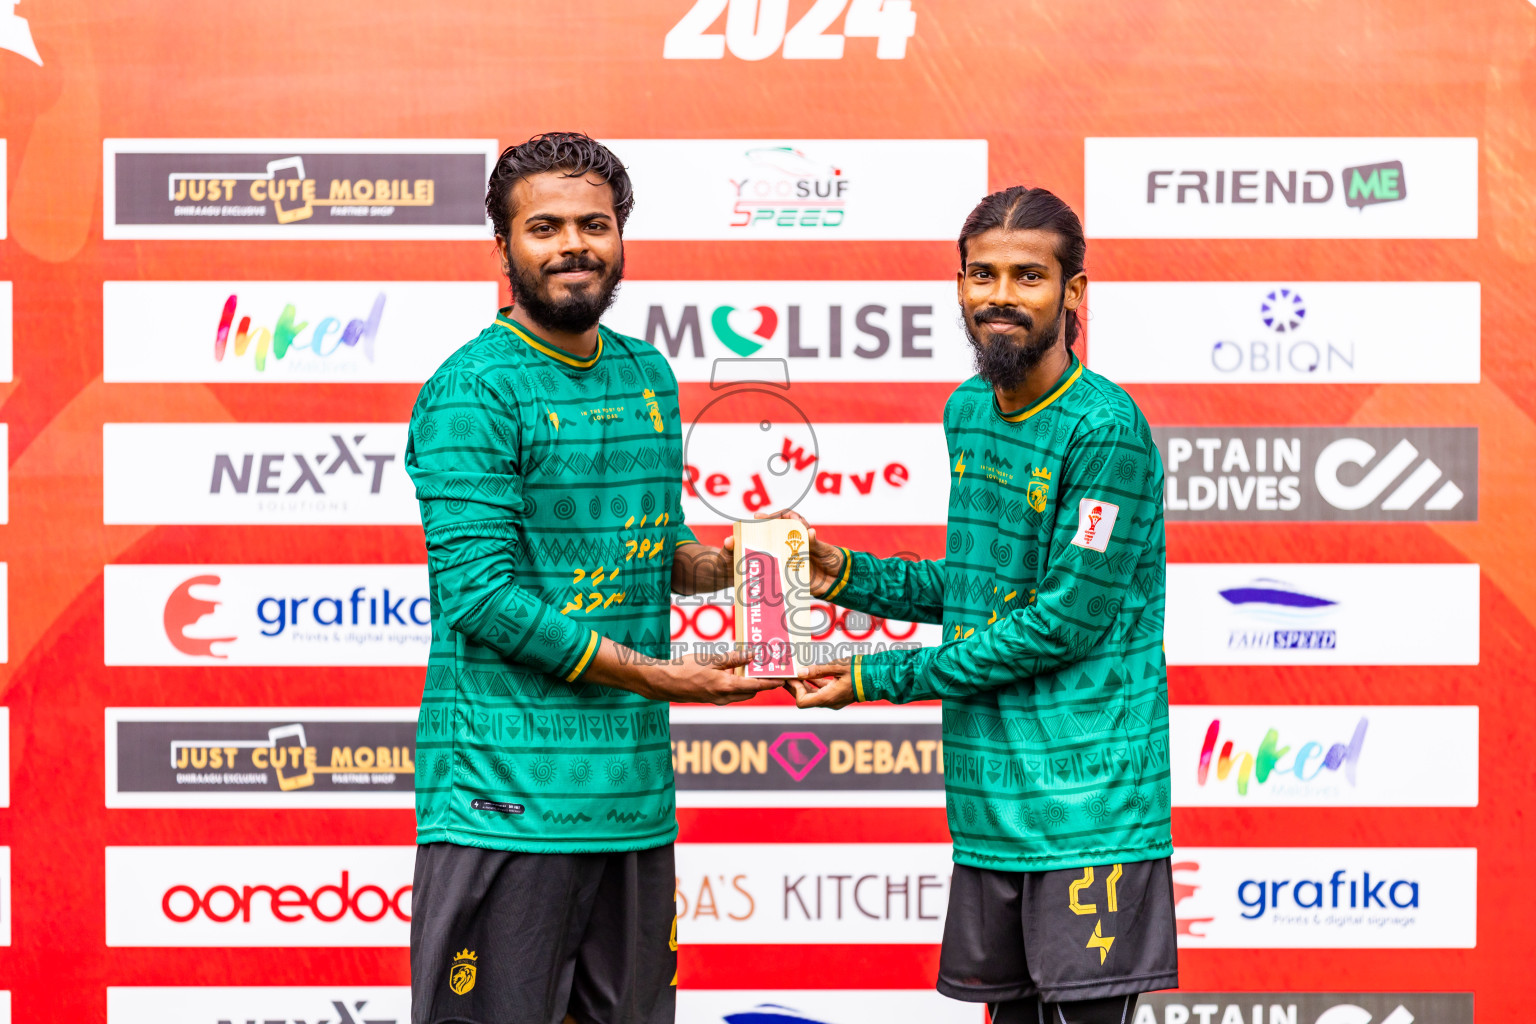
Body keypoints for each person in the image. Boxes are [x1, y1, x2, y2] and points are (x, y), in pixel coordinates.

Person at [405, 132, 779, 1024]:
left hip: (632, 802)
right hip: (506, 804)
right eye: (545, 227)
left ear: (621, 235)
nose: (574, 245)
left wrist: (750, 563)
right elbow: (483, 599)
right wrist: (660, 677)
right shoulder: (475, 390)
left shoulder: (647, 371)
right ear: (504, 247)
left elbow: (658, 548)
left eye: (594, 224)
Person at [787, 186, 1177, 1024]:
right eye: (982, 275)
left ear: (1072, 293)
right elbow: (979, 591)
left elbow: (1062, 622)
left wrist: (871, 677)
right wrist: (844, 574)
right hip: (990, 802)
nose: (1000, 296)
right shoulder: (968, 409)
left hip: (1088, 806)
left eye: (1028, 277)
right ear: (960, 284)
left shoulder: (1105, 430)